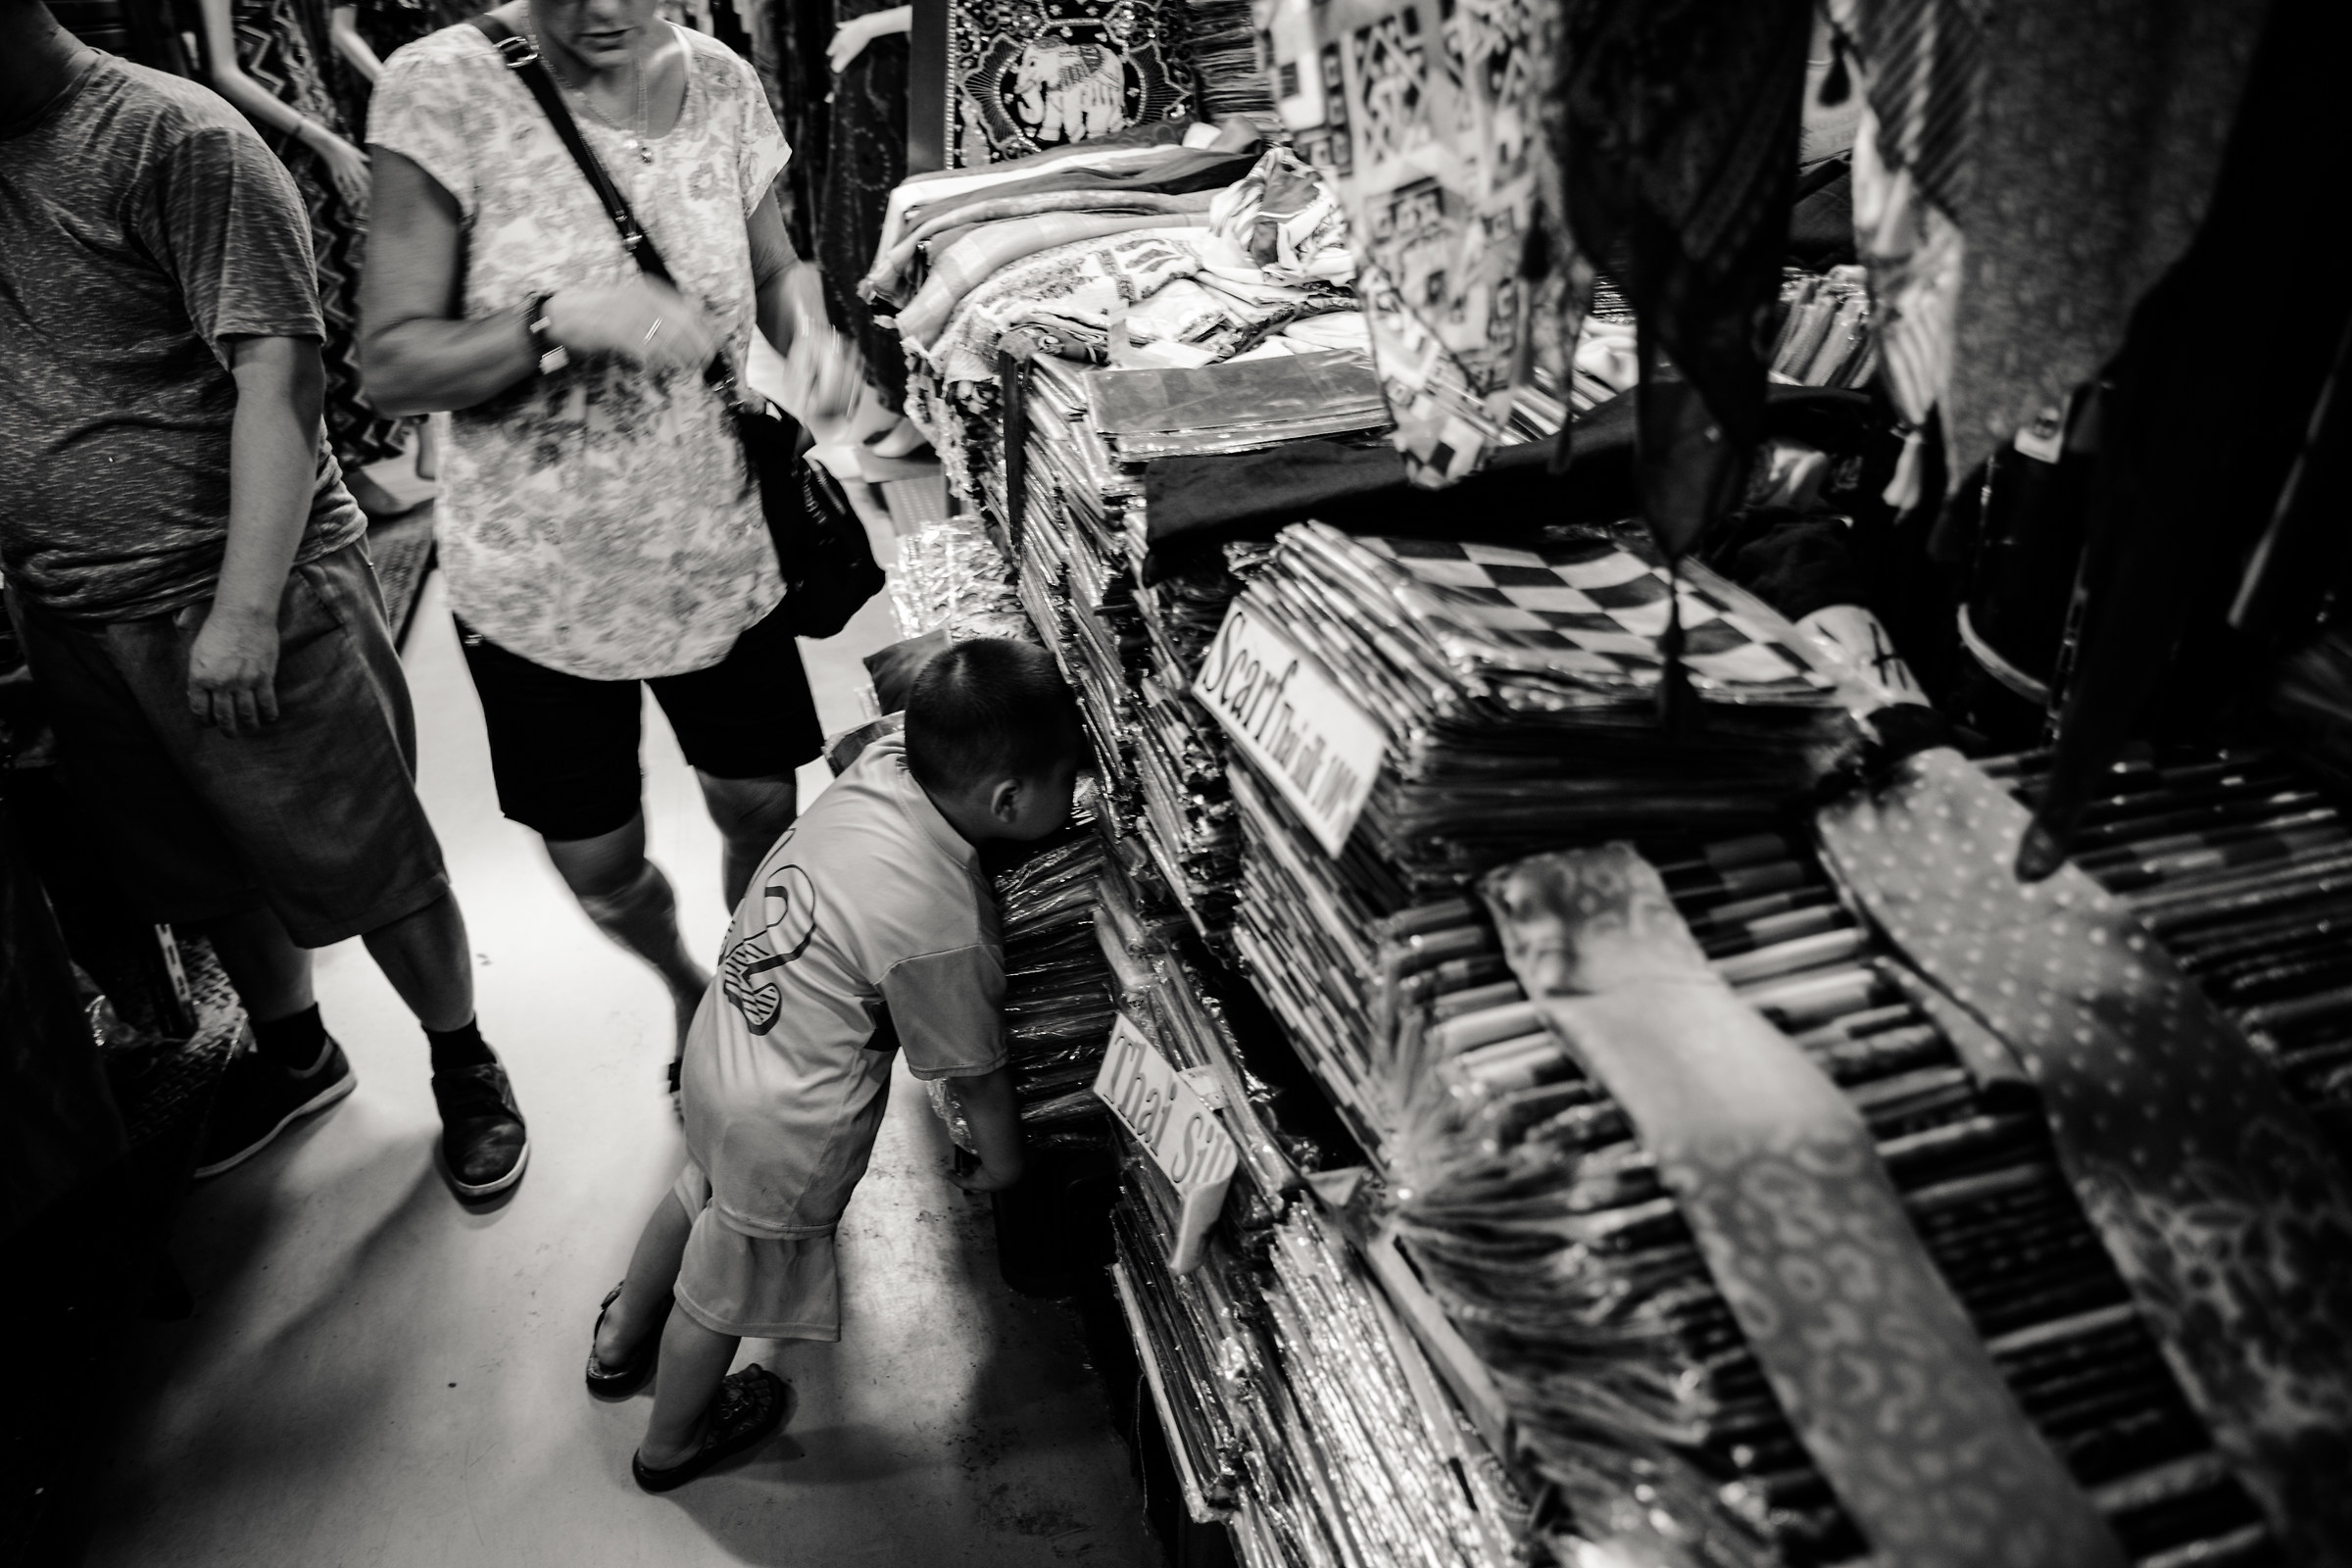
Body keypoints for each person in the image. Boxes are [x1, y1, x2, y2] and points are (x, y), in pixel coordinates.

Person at [0, 6, 528, 1200]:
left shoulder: (174, 135)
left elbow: (279, 378)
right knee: (194, 863)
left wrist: (244, 608)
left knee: (370, 854)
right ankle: (297, 1053)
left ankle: (465, 1063)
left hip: (234, 580)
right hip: (72, 604)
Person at [361, 0, 825, 1101]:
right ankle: (683, 983)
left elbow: (776, 269)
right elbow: (392, 366)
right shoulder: (440, 88)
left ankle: (749, 996)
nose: (601, 8)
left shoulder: (720, 80)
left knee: (762, 807)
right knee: (599, 859)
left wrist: (817, 337)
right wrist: (555, 318)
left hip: (716, 548)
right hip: (539, 587)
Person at [581, 639, 1079, 1491]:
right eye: (1069, 781)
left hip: (725, 1040)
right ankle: (672, 1444)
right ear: (1007, 797)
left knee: (697, 1190)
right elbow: (973, 1073)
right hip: (790, 1128)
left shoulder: (887, 762)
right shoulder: (943, 921)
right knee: (727, 1283)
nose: (1075, 797)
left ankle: (620, 1339)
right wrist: (1004, 1165)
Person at [190, 0, 420, 516]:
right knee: (311, 304)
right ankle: (340, 472)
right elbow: (223, 69)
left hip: (312, 130)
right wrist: (320, 139)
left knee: (348, 285)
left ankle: (367, 459)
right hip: (274, 144)